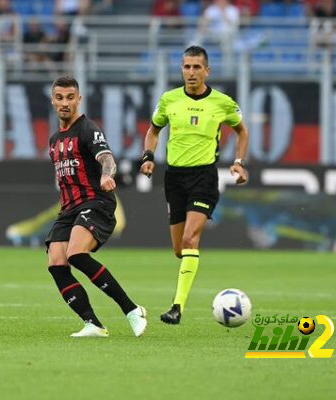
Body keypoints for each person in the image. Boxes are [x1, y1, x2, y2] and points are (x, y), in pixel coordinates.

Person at [139, 46, 249, 325]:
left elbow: (242, 130)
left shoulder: (222, 102)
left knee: (190, 239)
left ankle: (177, 307)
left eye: (197, 67)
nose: (191, 72)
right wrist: (148, 157)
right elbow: (153, 131)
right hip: (174, 179)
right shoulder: (169, 100)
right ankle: (191, 260)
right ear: (181, 70)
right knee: (180, 250)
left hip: (204, 178)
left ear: (207, 71)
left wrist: (238, 161)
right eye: (187, 67)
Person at [45, 76, 147, 338]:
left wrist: (106, 174)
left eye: (70, 97)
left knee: (76, 253)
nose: (65, 103)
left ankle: (131, 309)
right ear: (53, 100)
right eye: (60, 98)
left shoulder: (88, 129)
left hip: (96, 202)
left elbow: (106, 158)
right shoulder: (54, 140)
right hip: (68, 209)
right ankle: (93, 324)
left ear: (79, 99)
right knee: (56, 263)